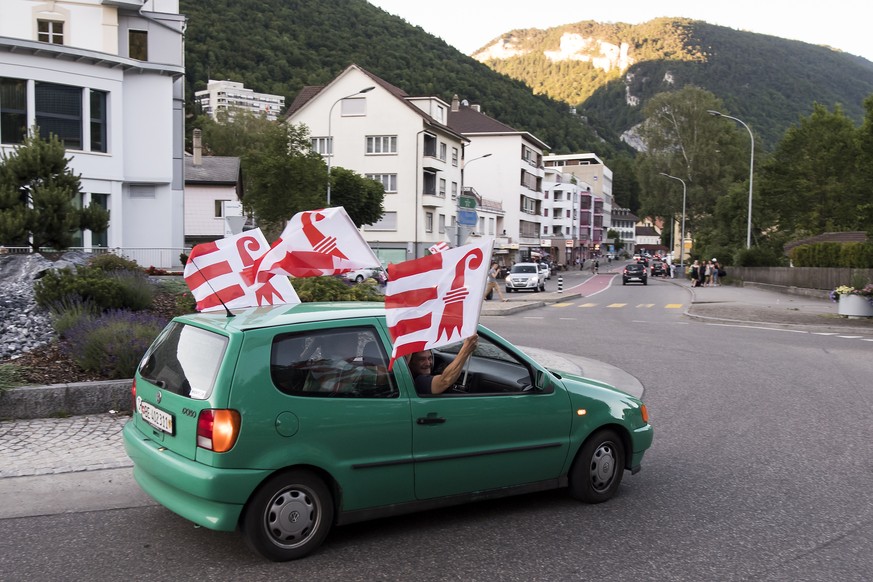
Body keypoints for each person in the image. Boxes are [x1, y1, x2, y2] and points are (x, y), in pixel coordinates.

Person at [408, 335, 478, 395]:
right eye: (421, 359)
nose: (428, 363)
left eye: (429, 358)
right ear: (410, 362)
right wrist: (466, 350)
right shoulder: (419, 382)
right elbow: (445, 381)